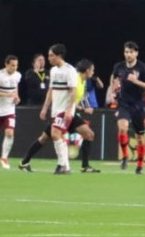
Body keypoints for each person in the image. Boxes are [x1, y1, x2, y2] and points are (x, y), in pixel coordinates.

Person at [19, 58, 101, 174]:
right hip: (63, 113)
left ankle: (84, 166)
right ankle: (60, 166)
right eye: (92, 70)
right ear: (87, 70)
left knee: (89, 134)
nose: (93, 72)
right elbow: (65, 97)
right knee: (46, 138)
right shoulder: (75, 79)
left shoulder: (83, 81)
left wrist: (78, 108)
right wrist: (81, 109)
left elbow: (73, 100)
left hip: (70, 113)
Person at [109, 41, 145, 173]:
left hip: (138, 106)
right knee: (122, 128)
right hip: (124, 104)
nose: (128, 54)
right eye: (126, 52)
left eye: (131, 52)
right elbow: (114, 77)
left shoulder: (143, 68)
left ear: (136, 53)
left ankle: (140, 165)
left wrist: (136, 81)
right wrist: (113, 90)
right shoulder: (119, 66)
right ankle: (125, 156)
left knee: (140, 136)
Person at [38, 44, 79, 174]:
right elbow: (50, 91)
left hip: (65, 109)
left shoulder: (70, 70)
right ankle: (66, 167)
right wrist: (45, 108)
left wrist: (68, 110)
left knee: (55, 134)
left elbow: (74, 91)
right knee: (58, 135)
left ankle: (61, 165)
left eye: (51, 55)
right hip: (55, 109)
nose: (49, 58)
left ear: (59, 55)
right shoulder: (53, 71)